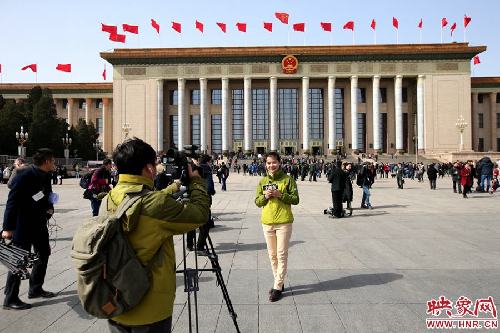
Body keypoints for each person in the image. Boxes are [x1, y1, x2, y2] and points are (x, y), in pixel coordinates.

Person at [105, 138, 209, 333]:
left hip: (116, 298)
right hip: (149, 306)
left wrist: (174, 186)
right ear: (149, 168)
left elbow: (145, 199)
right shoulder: (155, 204)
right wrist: (195, 182)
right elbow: (200, 215)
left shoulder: (110, 197)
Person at [2, 149, 57, 310]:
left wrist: (50, 207)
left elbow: (48, 194)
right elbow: (12, 202)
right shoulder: (23, 174)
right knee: (19, 260)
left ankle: (35, 288)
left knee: (44, 253)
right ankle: (10, 298)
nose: (54, 164)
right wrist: (7, 228)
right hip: (23, 224)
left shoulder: (46, 175)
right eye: (53, 161)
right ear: (46, 161)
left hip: (39, 223)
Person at [255, 152, 299, 302]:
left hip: (283, 222)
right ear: (265, 164)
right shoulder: (262, 182)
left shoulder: (288, 180)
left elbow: (296, 199)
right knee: (272, 255)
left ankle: (277, 286)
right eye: (268, 163)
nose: (271, 165)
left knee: (281, 254)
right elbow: (257, 201)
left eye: (274, 162)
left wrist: (281, 195)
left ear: (279, 163)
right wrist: (266, 196)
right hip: (267, 222)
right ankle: (278, 282)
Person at [186, 154, 216, 255]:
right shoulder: (206, 169)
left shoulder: (192, 168)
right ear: (208, 162)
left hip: (191, 198)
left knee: (191, 222)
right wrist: (211, 191)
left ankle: (189, 245)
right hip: (203, 198)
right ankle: (200, 247)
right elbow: (209, 185)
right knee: (205, 224)